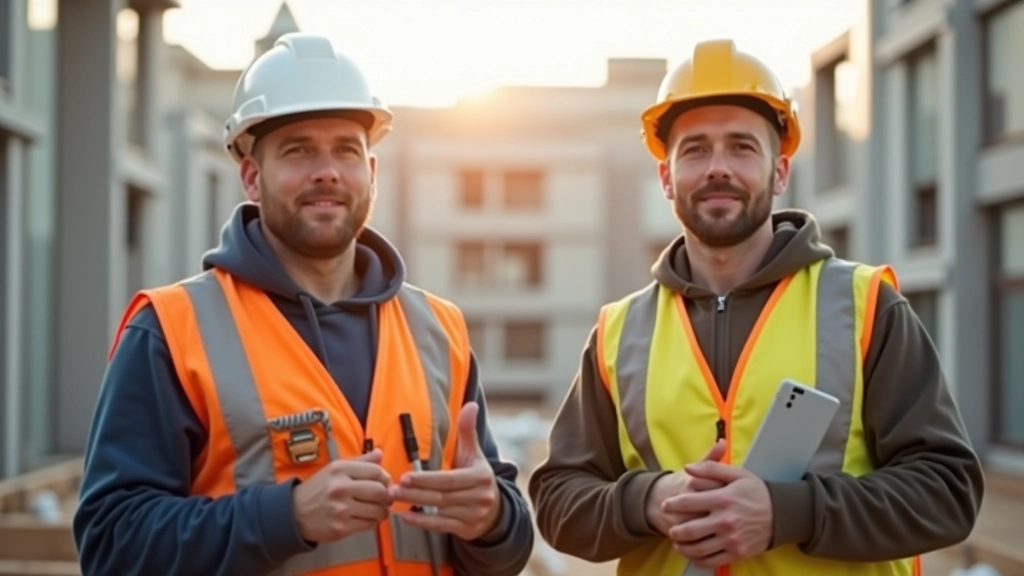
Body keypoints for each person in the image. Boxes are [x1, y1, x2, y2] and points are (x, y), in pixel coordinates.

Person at [73, 33, 534, 576]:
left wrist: (494, 519)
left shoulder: (439, 328)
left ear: (372, 174)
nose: (327, 171)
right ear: (251, 177)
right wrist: (286, 516)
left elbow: (507, 543)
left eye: (346, 149)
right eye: (297, 149)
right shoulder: (172, 330)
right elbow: (111, 545)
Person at [528, 39, 984, 576]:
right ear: (667, 178)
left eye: (742, 147)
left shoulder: (866, 308)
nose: (718, 168)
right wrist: (650, 500)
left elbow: (948, 492)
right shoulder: (618, 332)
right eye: (695, 149)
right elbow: (557, 501)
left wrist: (788, 512)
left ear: (780, 171)